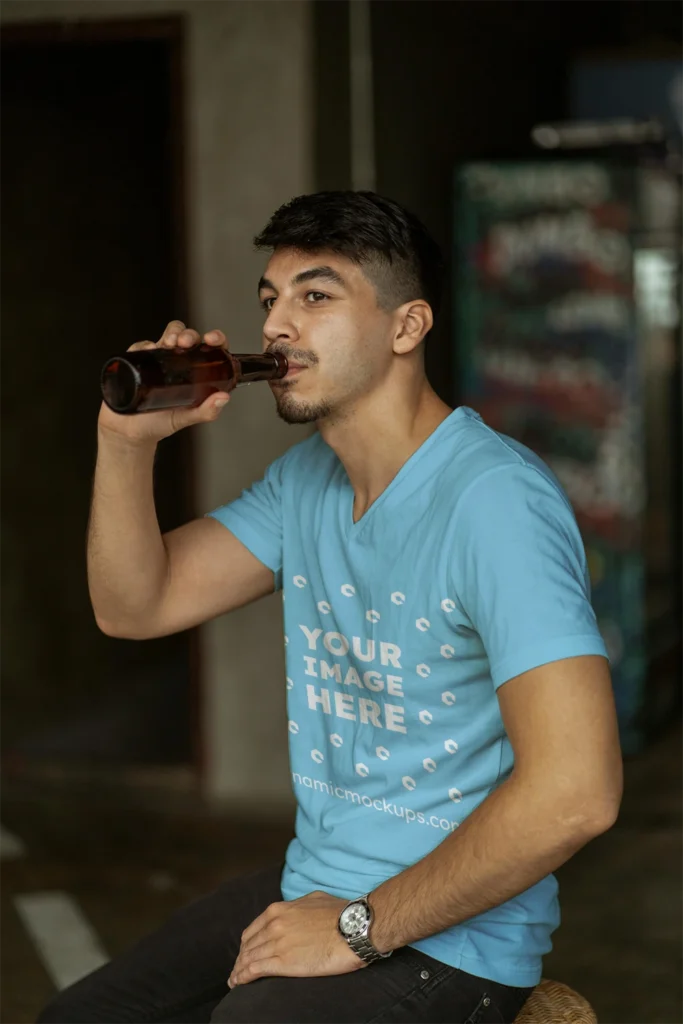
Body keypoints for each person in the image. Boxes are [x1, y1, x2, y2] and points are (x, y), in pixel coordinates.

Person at [41, 191, 623, 1024]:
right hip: (314, 882)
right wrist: (125, 444)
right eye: (269, 300)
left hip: (449, 943)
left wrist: (358, 930)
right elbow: (137, 606)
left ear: (406, 326)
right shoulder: (304, 483)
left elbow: (576, 793)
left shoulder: (494, 504)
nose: (278, 325)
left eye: (316, 296)